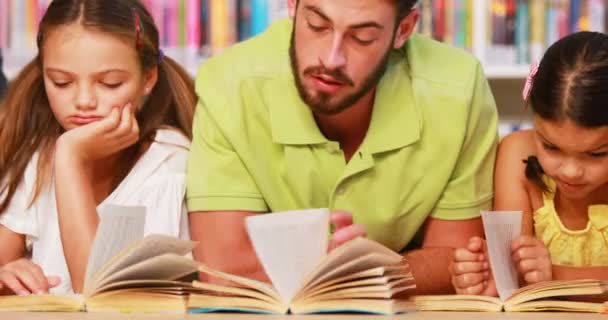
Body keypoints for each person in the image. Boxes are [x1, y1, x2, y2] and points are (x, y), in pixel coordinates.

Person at [188, 0, 498, 294]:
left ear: (403, 30)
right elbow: (223, 270)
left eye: (362, 38)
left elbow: (461, 263)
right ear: (293, 6)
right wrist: (358, 271)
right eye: (316, 25)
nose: (331, 58)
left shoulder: (459, 90)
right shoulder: (229, 85)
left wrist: (375, 271)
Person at [0, 0, 196, 295]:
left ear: (148, 79)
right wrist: (5, 274)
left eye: (110, 83)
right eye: (61, 82)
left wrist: (70, 159)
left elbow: (99, 294)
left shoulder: (168, 164)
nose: (84, 101)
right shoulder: (37, 153)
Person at [450, 31, 608, 297]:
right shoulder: (517, 155)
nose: (571, 171)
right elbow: (511, 275)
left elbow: (535, 281)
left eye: (596, 154)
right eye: (550, 146)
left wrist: (555, 277)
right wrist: (485, 276)